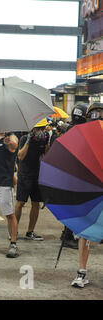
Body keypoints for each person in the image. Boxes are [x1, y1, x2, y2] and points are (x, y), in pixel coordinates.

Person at [71, 102, 102, 288]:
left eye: (99, 114)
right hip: (89, 190)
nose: (96, 117)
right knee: (84, 231)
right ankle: (82, 272)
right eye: (93, 114)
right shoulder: (82, 137)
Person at [14, 119, 50, 241]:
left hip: (38, 174)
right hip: (25, 175)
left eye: (42, 128)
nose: (40, 131)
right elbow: (20, 156)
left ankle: (30, 232)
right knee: (20, 203)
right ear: (32, 129)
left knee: (36, 203)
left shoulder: (44, 138)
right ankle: (13, 230)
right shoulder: (24, 138)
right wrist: (29, 140)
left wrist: (47, 143)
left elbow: (46, 155)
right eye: (38, 129)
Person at [61, 103, 88, 249]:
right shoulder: (79, 131)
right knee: (75, 207)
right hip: (74, 175)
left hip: (67, 174)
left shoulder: (68, 129)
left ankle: (66, 233)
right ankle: (67, 236)